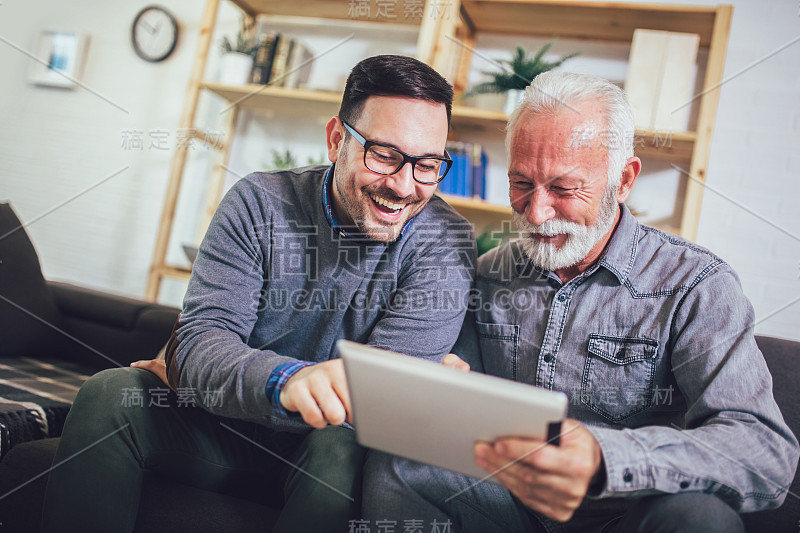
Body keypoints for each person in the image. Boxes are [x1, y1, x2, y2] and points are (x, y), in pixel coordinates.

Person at [40, 55, 476, 532]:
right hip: (222, 435)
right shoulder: (259, 203)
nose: (404, 185)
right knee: (109, 393)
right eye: (385, 156)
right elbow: (201, 342)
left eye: (428, 165)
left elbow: (378, 402)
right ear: (336, 140)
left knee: (341, 439)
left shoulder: (446, 243)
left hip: (326, 455)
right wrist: (287, 382)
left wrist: (208, 375)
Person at [362, 71, 799, 532]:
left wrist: (604, 458)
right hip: (504, 508)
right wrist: (443, 385)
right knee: (400, 463)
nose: (535, 212)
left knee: (698, 516)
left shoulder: (696, 286)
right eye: (521, 183)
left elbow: (764, 451)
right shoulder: (490, 273)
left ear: (624, 179)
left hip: (623, 515)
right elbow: (456, 395)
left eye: (564, 189)